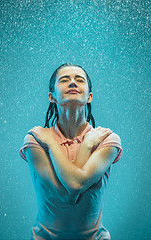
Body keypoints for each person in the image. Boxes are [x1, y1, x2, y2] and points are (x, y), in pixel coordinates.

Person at [19, 63, 123, 240]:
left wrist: (83, 145)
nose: (73, 83)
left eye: (79, 80)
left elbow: (74, 186)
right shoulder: (35, 138)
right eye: (65, 80)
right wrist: (54, 143)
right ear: (52, 97)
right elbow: (66, 195)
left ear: (89, 96)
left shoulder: (106, 139)